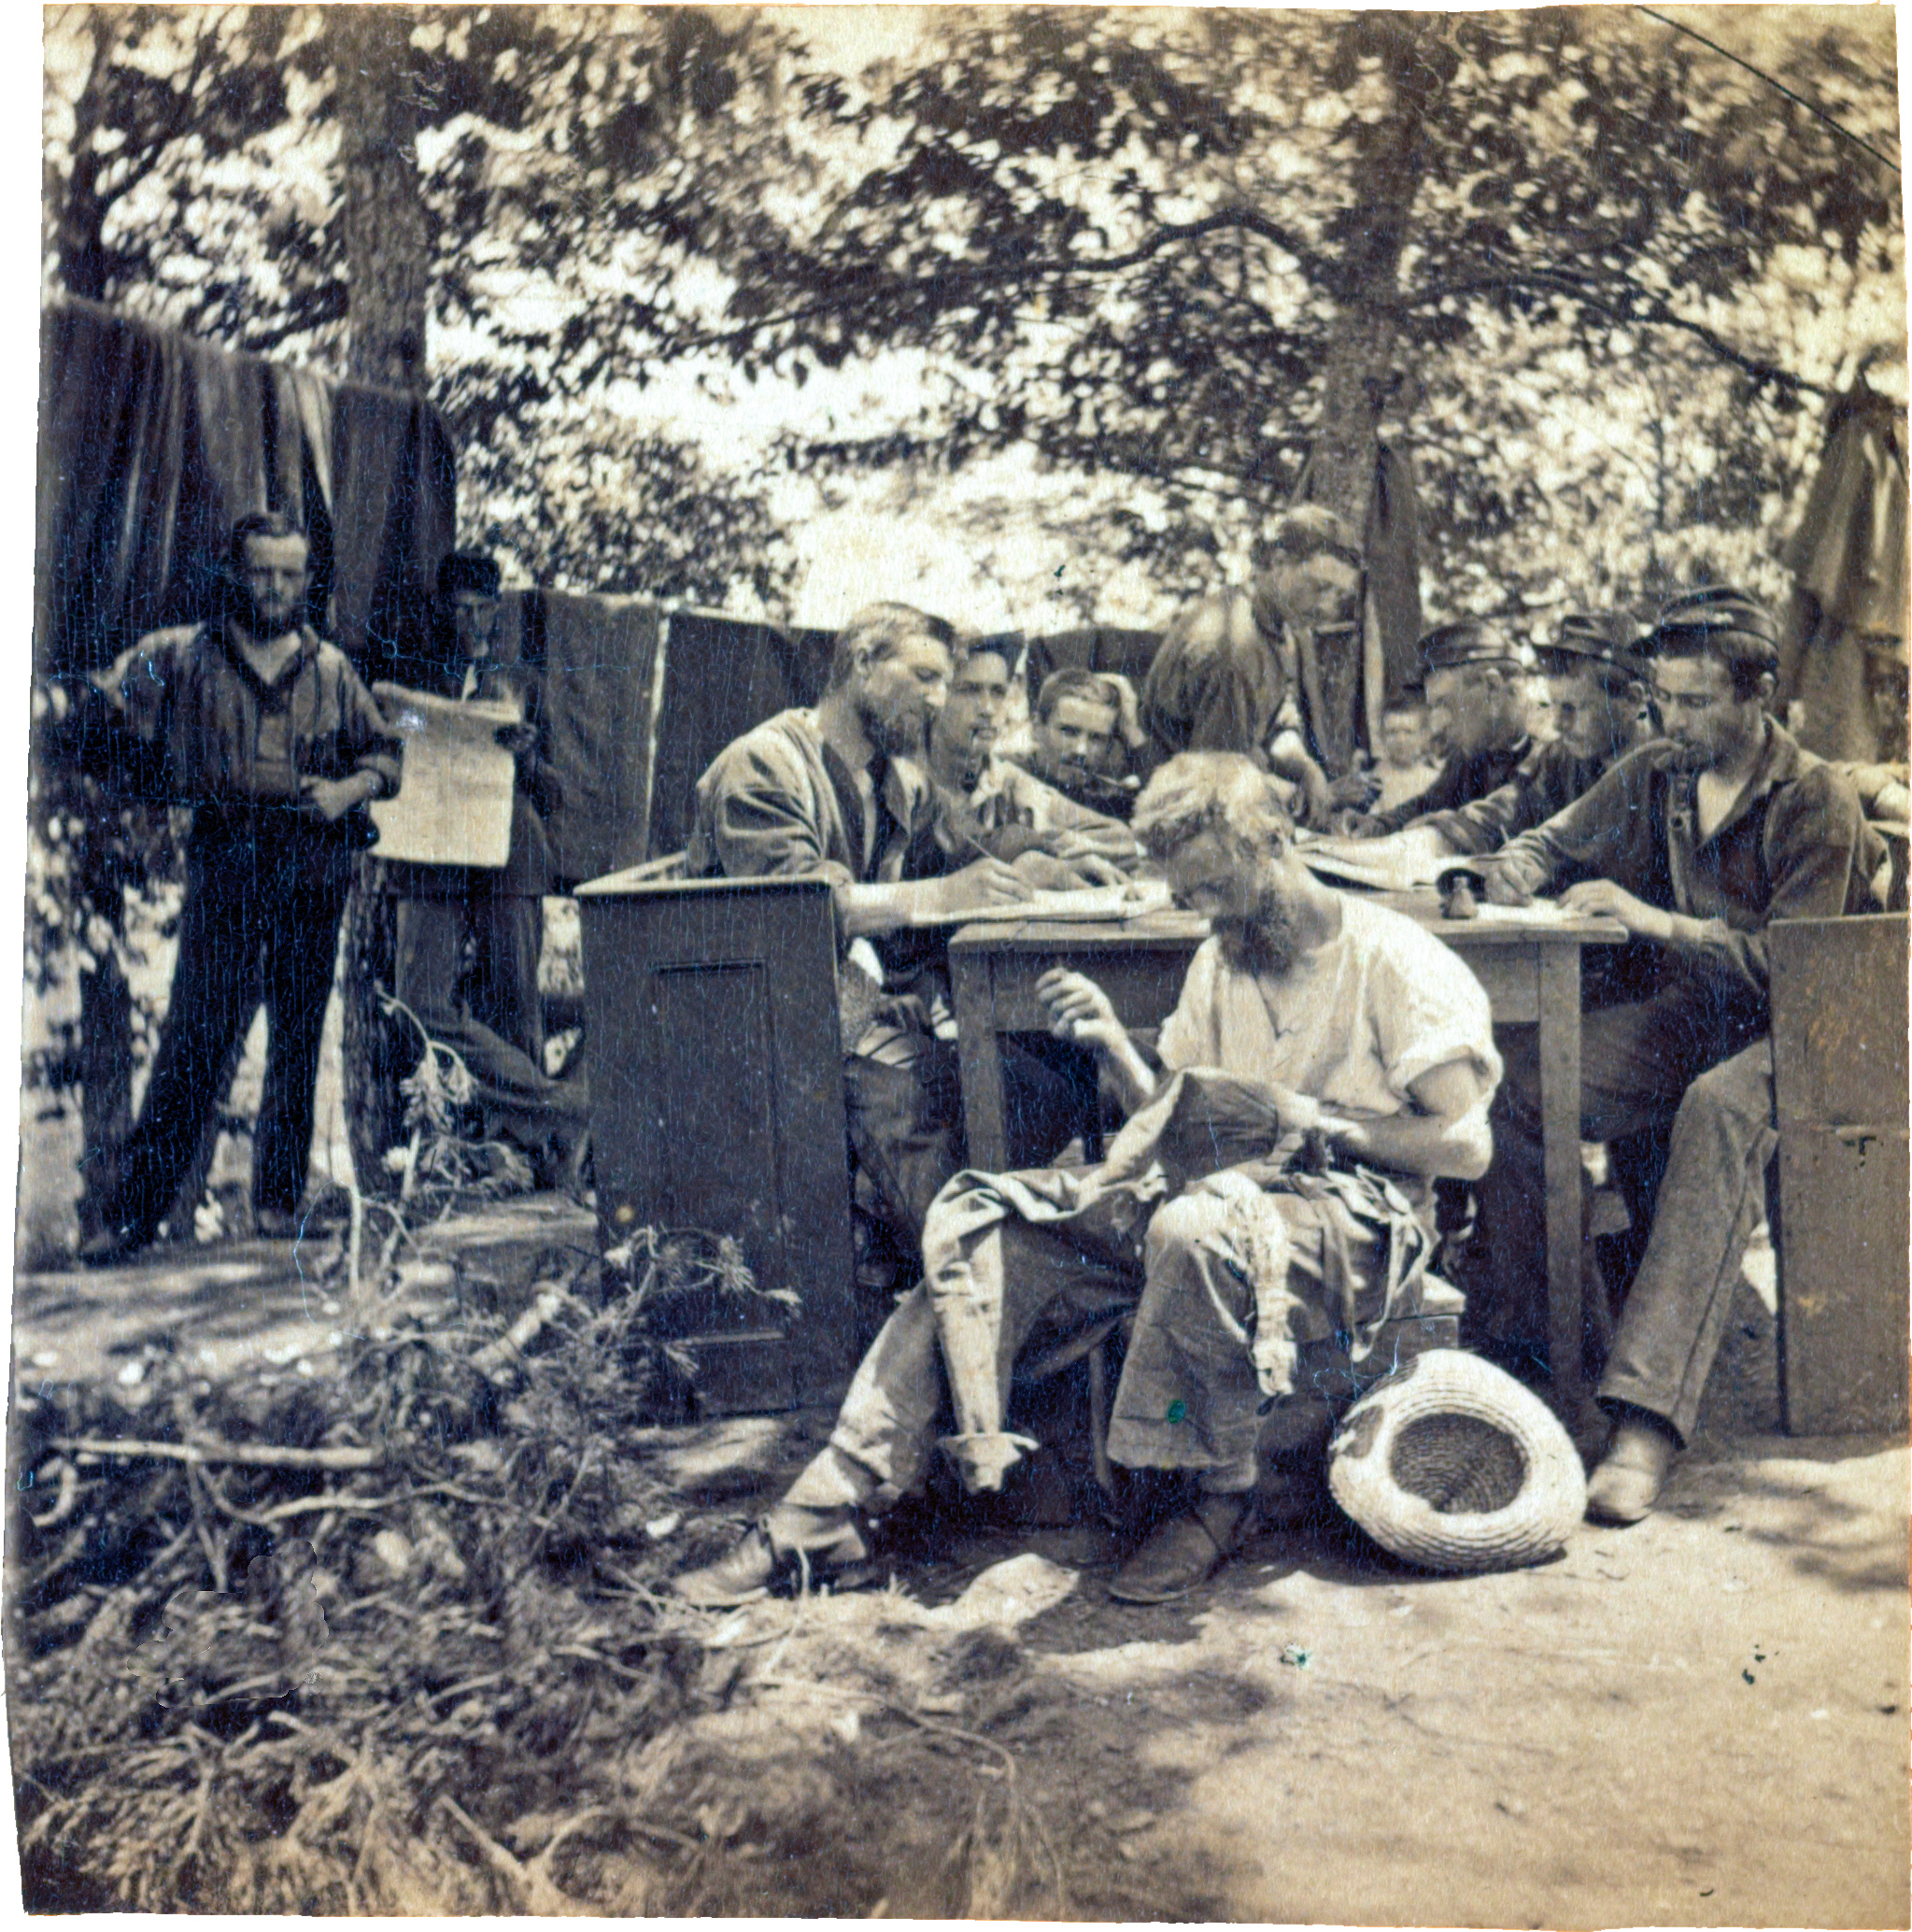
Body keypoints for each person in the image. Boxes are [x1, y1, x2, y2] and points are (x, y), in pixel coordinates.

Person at [673, 752, 1501, 1609]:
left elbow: (1466, 1145)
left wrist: (1308, 1117)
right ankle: (828, 1513)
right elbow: (1177, 1118)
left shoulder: (1394, 961)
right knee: (986, 1222)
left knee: (1195, 1227)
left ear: (1276, 842)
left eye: (1217, 888)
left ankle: (1222, 1500)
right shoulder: (1225, 957)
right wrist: (1112, 1043)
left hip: (1352, 1213)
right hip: (1216, 1196)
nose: (1204, 916)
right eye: (1188, 897)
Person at [1474, 587, 1889, 1524]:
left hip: (1818, 1032)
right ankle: (1554, 1361)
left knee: (1714, 1107)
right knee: (1515, 1084)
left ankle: (1646, 1422)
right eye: (1663, 699)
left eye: (1696, 701)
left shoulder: (1811, 797)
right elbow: (1548, 838)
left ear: (1759, 696)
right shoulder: (1661, 767)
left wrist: (1655, 920)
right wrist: (1505, 878)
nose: (1673, 719)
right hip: (1697, 1015)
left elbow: (1798, 970)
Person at [78, 512, 401, 1262]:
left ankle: (277, 1206)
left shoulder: (330, 669)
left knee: (297, 1034)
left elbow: (388, 750)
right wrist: (137, 773)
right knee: (196, 1033)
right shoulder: (185, 655)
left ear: (306, 581)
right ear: (238, 572)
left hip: (312, 859)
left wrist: (349, 789)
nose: (276, 586)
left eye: (290, 574)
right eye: (263, 571)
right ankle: (130, 1217)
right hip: (227, 855)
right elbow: (105, 699)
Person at [685, 604, 1041, 1267]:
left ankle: (926, 1261)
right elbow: (794, 912)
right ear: (862, 665)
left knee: (1031, 1076)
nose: (939, 701)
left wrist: (1032, 865)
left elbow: (955, 860)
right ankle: (967, 1285)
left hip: (838, 1008)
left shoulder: (892, 776)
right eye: (926, 677)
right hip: (756, 1021)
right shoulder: (763, 766)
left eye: (945, 683)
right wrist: (936, 897)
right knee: (913, 1100)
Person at [381, 550, 588, 1186]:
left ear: (498, 608)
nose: (471, 620)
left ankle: (530, 1161)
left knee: (514, 1000)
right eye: (460, 608)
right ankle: (564, 1111)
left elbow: (556, 795)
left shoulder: (522, 683)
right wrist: (419, 720)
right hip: (434, 849)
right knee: (420, 1003)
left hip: (511, 849)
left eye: (482, 608)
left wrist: (527, 760)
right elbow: (393, 726)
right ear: (441, 608)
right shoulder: (414, 675)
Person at [1378, 612, 1651, 860]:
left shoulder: (1664, 769)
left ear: (1631, 701)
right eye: (1554, 705)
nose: (1557, 723)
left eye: (1572, 707)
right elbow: (1509, 808)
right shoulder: (1561, 761)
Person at [925, 646, 1141, 876]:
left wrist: (1042, 844)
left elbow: (1124, 842)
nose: (987, 708)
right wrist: (1028, 847)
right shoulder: (922, 771)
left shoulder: (1007, 778)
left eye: (998, 692)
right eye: (969, 690)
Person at [1351, 620, 1537, 837]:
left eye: (1445, 704)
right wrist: (1379, 824)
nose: (1438, 726)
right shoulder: (1470, 754)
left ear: (1492, 688)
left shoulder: (1554, 752)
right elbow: (1428, 805)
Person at [1013, 667, 1147, 821]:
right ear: (1036, 727)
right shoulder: (1004, 778)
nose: (1081, 750)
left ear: (1110, 745)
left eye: (1096, 738)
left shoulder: (1111, 801)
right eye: (1069, 732)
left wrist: (1132, 732)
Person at [1368, 693, 1441, 816]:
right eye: (1392, 732)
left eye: (1408, 732)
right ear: (1381, 736)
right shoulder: (1374, 779)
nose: (1401, 740)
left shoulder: (1434, 779)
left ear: (1424, 736)